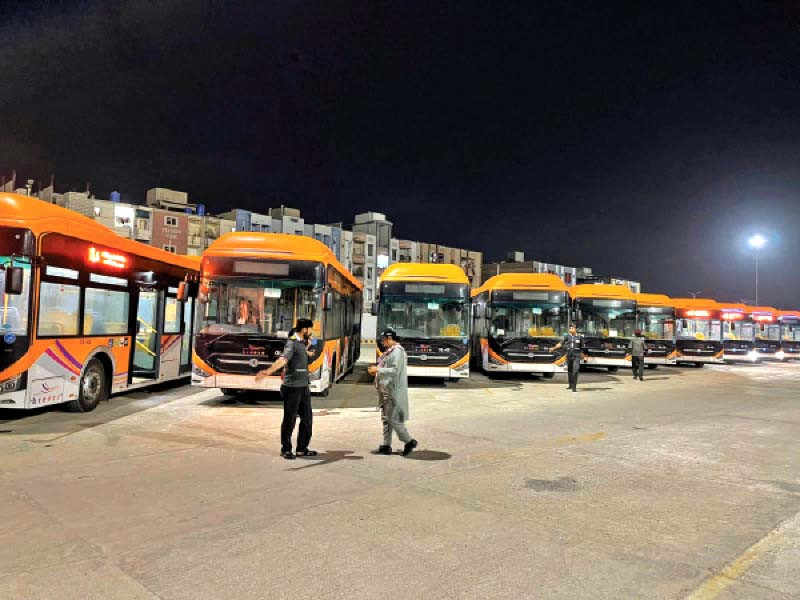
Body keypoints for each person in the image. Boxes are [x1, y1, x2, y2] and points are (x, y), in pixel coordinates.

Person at [255, 318, 317, 460]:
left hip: (303, 387)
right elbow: (283, 359)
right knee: (290, 419)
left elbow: (311, 350)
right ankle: (286, 449)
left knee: (307, 419)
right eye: (310, 329)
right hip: (292, 388)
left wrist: (310, 346)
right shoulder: (292, 343)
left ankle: (302, 448)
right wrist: (268, 371)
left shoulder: (302, 343)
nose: (312, 332)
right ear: (304, 329)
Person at [367, 328, 418, 456]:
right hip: (386, 390)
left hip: (392, 391)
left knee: (392, 419)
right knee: (385, 419)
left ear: (390, 339)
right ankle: (386, 445)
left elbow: (395, 370)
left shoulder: (397, 352)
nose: (382, 342)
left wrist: (377, 370)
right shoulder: (390, 352)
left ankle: (409, 440)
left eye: (383, 340)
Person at [553, 324, 583, 392]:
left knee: (576, 370)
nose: (570, 329)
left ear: (575, 329)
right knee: (570, 370)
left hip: (576, 355)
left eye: (572, 328)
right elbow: (561, 343)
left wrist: (582, 354)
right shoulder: (567, 337)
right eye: (570, 328)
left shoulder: (580, 337)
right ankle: (570, 385)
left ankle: (574, 387)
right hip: (569, 355)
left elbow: (582, 347)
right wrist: (554, 348)